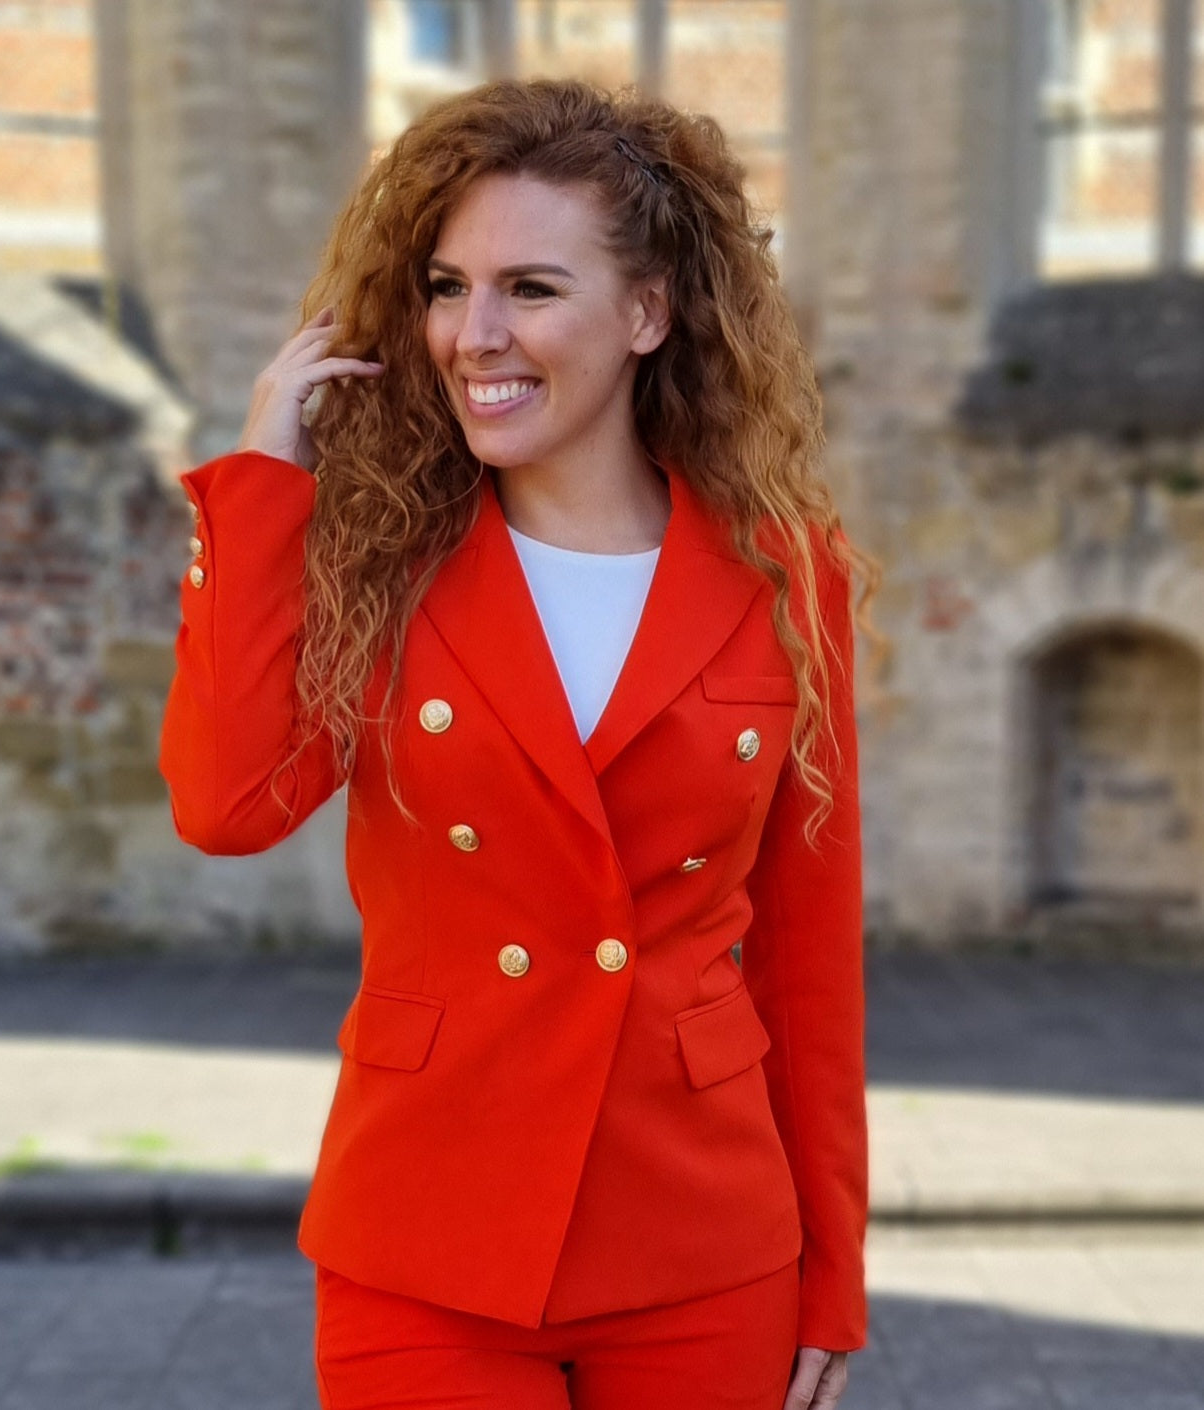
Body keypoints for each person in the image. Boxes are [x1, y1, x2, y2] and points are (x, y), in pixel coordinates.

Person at [159, 76, 881, 1410]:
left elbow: (805, 948)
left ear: (648, 313)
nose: (472, 335)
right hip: (426, 1235)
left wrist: (830, 1270)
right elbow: (227, 803)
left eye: (531, 289)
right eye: (448, 287)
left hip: (701, 1246)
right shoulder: (377, 560)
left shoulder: (787, 574)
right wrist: (263, 483)